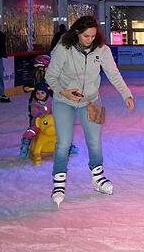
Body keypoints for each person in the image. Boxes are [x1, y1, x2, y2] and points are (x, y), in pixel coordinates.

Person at [45, 16, 134, 208]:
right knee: (64, 143)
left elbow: (113, 73)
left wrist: (126, 94)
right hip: (64, 101)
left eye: (93, 36)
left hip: (91, 101)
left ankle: (97, 177)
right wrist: (62, 90)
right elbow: (50, 76)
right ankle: (58, 183)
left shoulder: (102, 49)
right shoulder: (63, 48)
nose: (90, 39)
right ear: (77, 32)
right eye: (86, 36)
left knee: (94, 141)